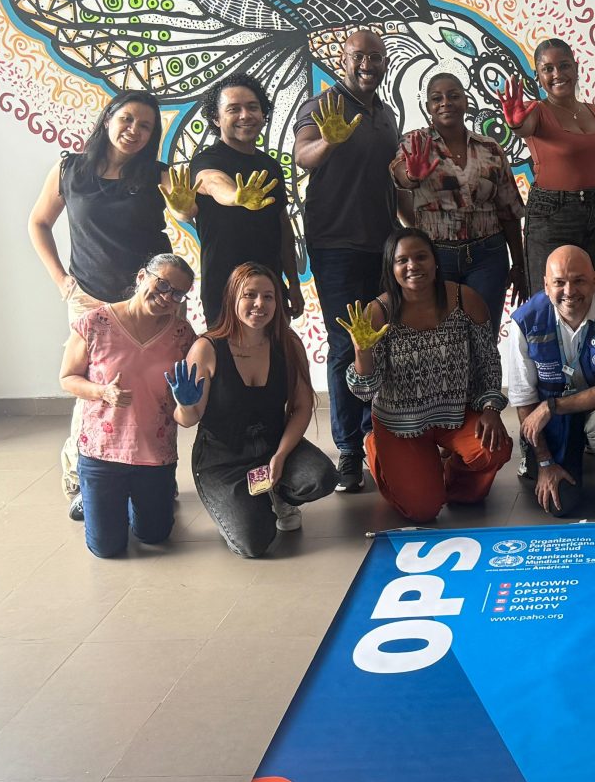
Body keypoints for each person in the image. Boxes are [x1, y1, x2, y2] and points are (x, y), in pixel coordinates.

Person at [28, 91, 183, 520]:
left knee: (155, 391)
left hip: (153, 301)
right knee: (92, 391)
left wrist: (189, 206)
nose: (134, 130)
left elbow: (190, 210)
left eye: (146, 126)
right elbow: (39, 222)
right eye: (127, 119)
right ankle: (82, 480)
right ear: (108, 118)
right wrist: (61, 280)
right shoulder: (69, 169)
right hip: (91, 299)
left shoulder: (157, 174)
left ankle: (158, 474)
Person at [292, 29, 404, 493]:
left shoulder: (387, 115)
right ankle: (349, 452)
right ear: (343, 60)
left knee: (381, 342)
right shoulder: (322, 107)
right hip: (336, 246)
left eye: (376, 57)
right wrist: (329, 142)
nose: (367, 65)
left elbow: (391, 180)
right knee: (345, 346)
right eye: (359, 57)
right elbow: (303, 156)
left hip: (381, 246)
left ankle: (379, 437)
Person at [343, 228, 512, 523]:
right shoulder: (378, 313)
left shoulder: (465, 299)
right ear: (391, 268)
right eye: (402, 260)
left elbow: (487, 361)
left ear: (435, 261)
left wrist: (490, 408)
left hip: (455, 414)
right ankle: (377, 448)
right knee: (422, 511)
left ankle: (451, 480)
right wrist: (362, 351)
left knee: (493, 450)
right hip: (400, 423)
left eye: (421, 257)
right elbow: (365, 391)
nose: (413, 266)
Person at [172, 264, 337, 557]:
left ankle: (275, 494)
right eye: (250, 295)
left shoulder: (288, 343)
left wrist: (281, 456)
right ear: (232, 298)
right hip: (223, 460)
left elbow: (302, 407)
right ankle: (246, 502)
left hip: (272, 447)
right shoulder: (207, 348)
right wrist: (185, 404)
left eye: (268, 296)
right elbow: (188, 419)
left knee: (322, 477)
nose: (260, 304)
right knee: (254, 543)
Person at [57, 254, 197, 558]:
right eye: (162, 284)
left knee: (154, 536)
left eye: (177, 294)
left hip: (155, 454)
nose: (166, 297)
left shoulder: (182, 335)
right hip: (102, 453)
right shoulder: (93, 323)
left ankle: (129, 500)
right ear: (141, 276)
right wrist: (102, 392)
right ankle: (92, 495)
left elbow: (188, 402)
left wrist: (188, 402)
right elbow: (67, 378)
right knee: (106, 548)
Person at [505, 246, 595, 516]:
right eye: (559, 282)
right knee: (561, 503)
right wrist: (545, 462)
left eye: (579, 280)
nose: (569, 291)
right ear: (546, 286)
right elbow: (524, 397)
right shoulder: (524, 321)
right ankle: (541, 455)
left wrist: (551, 407)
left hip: (590, 404)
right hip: (553, 412)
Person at [395, 72, 527, 328]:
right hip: (436, 257)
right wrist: (411, 175)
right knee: (443, 337)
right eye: (437, 98)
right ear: (428, 107)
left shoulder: (490, 148)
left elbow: (509, 211)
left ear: (466, 102)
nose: (446, 102)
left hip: (488, 256)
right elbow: (400, 176)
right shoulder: (415, 143)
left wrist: (519, 264)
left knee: (484, 334)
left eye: (453, 96)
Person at [500, 39, 595, 292]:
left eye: (564, 65)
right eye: (547, 69)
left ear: (576, 68)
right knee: (549, 301)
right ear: (538, 76)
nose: (557, 74)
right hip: (553, 217)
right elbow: (523, 127)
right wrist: (515, 124)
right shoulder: (535, 111)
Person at [184, 74, 302, 327]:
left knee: (273, 352)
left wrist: (293, 283)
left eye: (252, 107)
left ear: (263, 113)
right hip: (223, 289)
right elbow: (211, 182)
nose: (245, 115)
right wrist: (236, 196)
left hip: (270, 288)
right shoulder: (205, 160)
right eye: (233, 109)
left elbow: (283, 228)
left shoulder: (270, 165)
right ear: (216, 118)